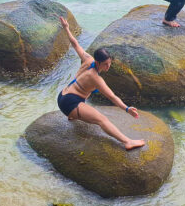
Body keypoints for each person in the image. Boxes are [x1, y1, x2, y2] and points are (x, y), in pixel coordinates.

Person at [57, 16, 146, 150]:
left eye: (110, 63)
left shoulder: (88, 59)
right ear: (98, 62)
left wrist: (66, 28)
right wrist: (127, 109)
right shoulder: (95, 78)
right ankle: (127, 142)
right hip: (70, 103)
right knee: (102, 120)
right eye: (105, 64)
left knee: (86, 92)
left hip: (63, 96)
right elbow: (112, 97)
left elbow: (75, 43)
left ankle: (73, 115)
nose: (108, 67)